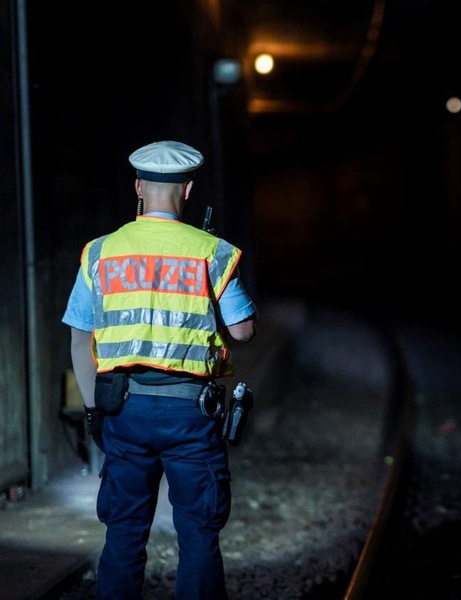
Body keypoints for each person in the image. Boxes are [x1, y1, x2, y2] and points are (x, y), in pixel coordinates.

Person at [62, 140, 258, 599]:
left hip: (123, 411)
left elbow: (78, 339)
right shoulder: (211, 251)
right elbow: (244, 331)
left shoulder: (99, 252)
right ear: (187, 190)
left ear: (138, 187)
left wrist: (93, 411)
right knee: (197, 534)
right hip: (191, 415)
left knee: (125, 533)